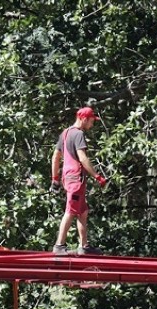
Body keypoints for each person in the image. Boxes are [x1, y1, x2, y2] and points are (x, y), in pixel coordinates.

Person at [50, 106, 108, 256]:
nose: (92, 124)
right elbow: (82, 158)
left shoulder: (65, 133)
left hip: (68, 177)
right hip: (76, 178)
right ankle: (59, 245)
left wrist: (55, 179)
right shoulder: (78, 134)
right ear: (83, 119)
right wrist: (97, 176)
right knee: (70, 211)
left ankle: (84, 246)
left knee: (82, 211)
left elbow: (55, 156)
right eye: (91, 121)